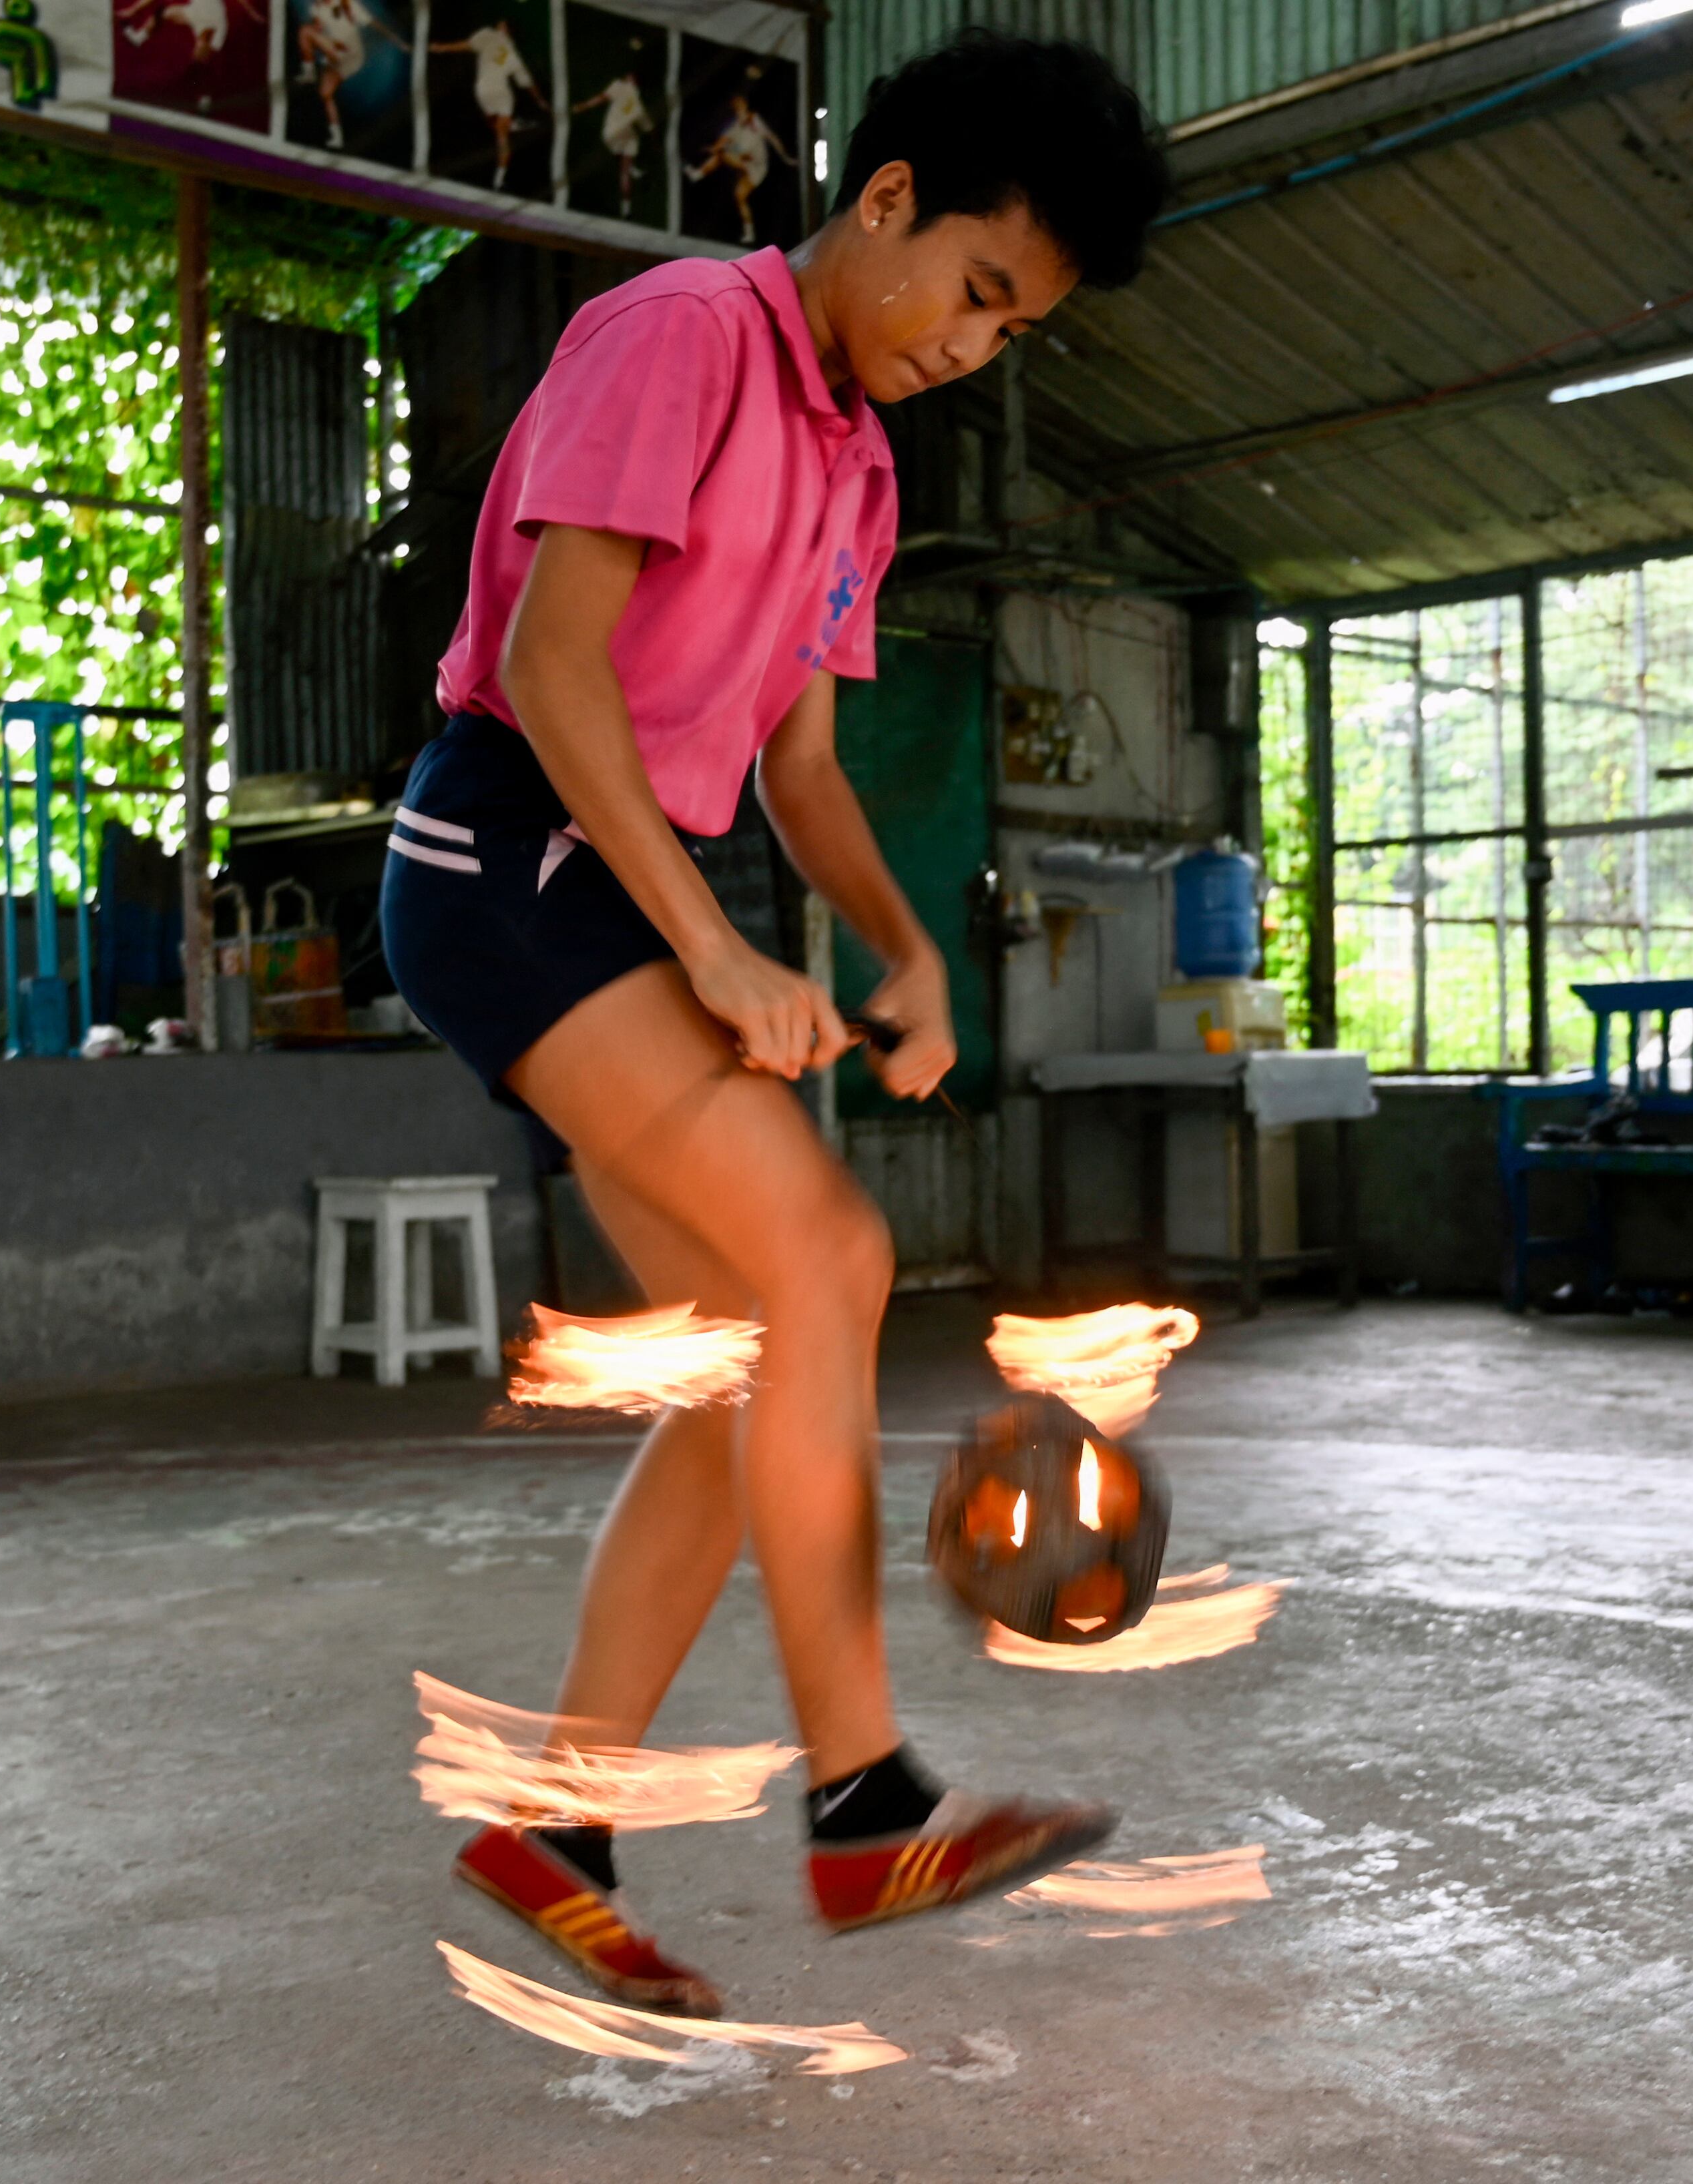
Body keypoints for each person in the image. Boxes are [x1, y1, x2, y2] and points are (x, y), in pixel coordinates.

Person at [380, 32, 1170, 2017]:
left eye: (1016, 333)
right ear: (887, 193)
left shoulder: (856, 461)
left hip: (611, 875)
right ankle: (860, 1801)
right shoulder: (682, 338)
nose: (975, 345)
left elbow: (800, 766)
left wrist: (903, 945)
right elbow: (561, 679)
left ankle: (553, 1823)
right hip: (503, 850)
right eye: (976, 291)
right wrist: (721, 961)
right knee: (828, 1245)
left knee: (744, 1378)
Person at [434, 16, 545, 191]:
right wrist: (540, 101)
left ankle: (499, 179)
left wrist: (441, 48)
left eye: (502, 22)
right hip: (501, 93)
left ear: (504, 27)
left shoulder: (487, 34)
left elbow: (465, 46)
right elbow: (528, 84)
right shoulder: (514, 54)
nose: (499, 23)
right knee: (499, 134)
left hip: (483, 91)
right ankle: (511, 131)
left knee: (499, 134)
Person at [690, 84, 795, 246]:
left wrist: (786, 157)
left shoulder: (755, 121)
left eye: (739, 104)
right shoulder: (735, 127)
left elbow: (772, 139)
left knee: (734, 181)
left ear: (744, 104)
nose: (737, 107)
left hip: (757, 167)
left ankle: (698, 174)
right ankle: (749, 232)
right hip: (744, 161)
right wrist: (712, 148)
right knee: (736, 189)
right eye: (735, 105)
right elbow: (723, 142)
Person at [569, 51, 654, 214]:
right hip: (628, 135)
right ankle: (626, 209)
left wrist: (582, 106)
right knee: (624, 171)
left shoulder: (619, 86)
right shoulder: (639, 104)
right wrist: (655, 143)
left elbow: (601, 98)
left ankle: (633, 171)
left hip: (611, 134)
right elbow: (650, 128)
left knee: (618, 155)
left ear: (631, 78)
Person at [295, 0, 380, 150]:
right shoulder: (317, 8)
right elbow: (318, 28)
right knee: (325, 93)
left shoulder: (347, 4)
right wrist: (318, 34)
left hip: (350, 54)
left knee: (305, 32)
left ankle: (309, 72)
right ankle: (337, 137)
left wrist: (396, 40)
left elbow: (370, 21)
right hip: (341, 58)